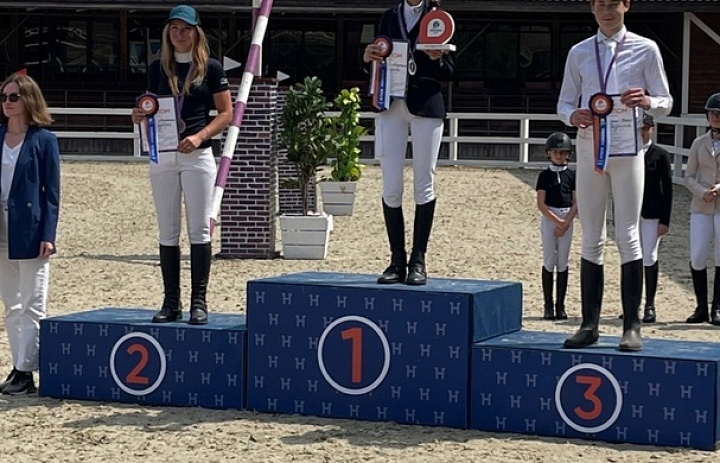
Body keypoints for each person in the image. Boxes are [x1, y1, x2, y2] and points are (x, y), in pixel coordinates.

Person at [557, 0, 672, 351]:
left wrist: (648, 102)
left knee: (628, 234)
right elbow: (564, 102)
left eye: (613, 4)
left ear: (626, 5)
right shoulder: (579, 52)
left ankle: (631, 326)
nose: (607, 11)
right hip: (589, 149)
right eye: (600, 5)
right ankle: (589, 324)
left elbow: (666, 100)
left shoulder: (645, 48)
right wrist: (572, 116)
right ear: (592, 8)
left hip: (628, 149)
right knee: (591, 234)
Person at [131, 4, 232, 325]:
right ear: (167, 32)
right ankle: (170, 301)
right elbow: (149, 105)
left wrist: (200, 135)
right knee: (168, 229)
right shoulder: (158, 68)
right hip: (164, 154)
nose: (180, 34)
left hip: (197, 154)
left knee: (199, 228)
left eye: (186, 28)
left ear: (196, 32)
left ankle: (198, 301)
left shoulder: (211, 68)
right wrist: (139, 115)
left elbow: (226, 113)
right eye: (174, 28)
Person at [363, 0, 454, 286]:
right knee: (391, 186)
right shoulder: (389, 16)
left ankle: (419, 259)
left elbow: (450, 72)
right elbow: (380, 54)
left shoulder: (438, 17)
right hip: (391, 103)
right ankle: (396, 259)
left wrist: (437, 58)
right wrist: (368, 57)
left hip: (426, 104)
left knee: (423, 184)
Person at [0, 73, 60, 394]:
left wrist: (48, 234)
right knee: (11, 304)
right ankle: (18, 368)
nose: (7, 103)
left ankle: (26, 370)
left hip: (30, 229)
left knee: (32, 304)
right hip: (1, 229)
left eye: (14, 97)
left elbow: (52, 194)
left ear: (27, 99)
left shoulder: (44, 140)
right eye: (4, 97)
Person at [683, 92, 720, 326]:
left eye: (719, 114)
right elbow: (688, 176)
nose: (716, 117)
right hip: (702, 204)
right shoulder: (698, 143)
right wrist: (701, 191)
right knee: (697, 255)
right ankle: (700, 307)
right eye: (712, 113)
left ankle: (717, 306)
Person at [536, 133, 577, 321]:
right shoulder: (544, 176)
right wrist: (558, 222)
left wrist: (566, 222)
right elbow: (541, 203)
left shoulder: (572, 175)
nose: (559, 156)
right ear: (549, 154)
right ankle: (548, 305)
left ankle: (560, 305)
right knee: (549, 259)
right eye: (556, 152)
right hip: (550, 215)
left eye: (563, 152)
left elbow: (576, 202)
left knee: (563, 261)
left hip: (567, 214)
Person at [638, 113, 672, 323]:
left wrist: (665, 219)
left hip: (652, 213)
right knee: (631, 257)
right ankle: (632, 302)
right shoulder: (629, 154)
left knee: (649, 257)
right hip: (632, 214)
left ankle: (649, 304)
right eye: (639, 128)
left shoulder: (660, 155)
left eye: (645, 128)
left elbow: (667, 189)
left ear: (652, 129)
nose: (642, 132)